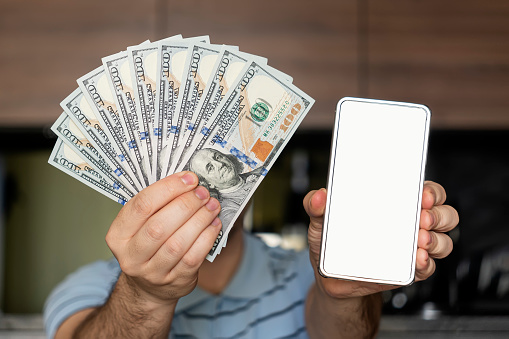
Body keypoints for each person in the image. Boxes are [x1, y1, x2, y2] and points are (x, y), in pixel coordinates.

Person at [44, 171, 458, 338]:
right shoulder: (95, 287)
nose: (203, 183)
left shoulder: (306, 270)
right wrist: (145, 295)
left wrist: (341, 292)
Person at [188, 148, 264, 226]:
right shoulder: (228, 213)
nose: (220, 164)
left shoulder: (261, 171)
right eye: (210, 168)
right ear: (209, 184)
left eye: (218, 157)